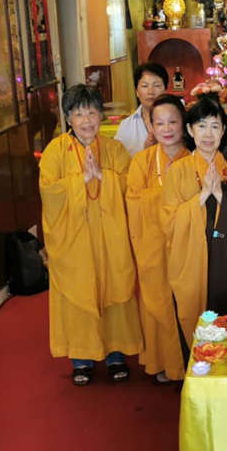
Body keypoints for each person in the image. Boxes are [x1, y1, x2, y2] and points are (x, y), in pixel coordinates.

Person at [39, 85, 141, 385]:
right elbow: (48, 190)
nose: (86, 121)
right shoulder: (55, 151)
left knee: (114, 288)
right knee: (78, 293)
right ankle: (81, 358)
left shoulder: (114, 149)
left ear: (100, 116)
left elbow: (129, 185)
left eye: (92, 113)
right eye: (79, 114)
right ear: (68, 118)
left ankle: (116, 354)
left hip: (110, 237)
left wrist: (103, 177)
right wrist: (80, 180)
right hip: (74, 238)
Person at [162, 96, 227, 340]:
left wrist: (220, 196)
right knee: (198, 328)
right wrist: (202, 196)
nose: (208, 134)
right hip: (193, 262)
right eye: (202, 126)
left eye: (215, 126)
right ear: (190, 130)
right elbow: (169, 222)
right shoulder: (177, 171)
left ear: (223, 131)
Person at [125, 95, 188, 383]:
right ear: (150, 126)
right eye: (159, 123)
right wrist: (167, 193)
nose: (167, 129)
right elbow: (134, 201)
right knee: (157, 302)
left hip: (185, 247)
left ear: (184, 124)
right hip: (153, 245)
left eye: (173, 121)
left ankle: (190, 360)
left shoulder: (194, 158)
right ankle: (163, 361)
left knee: (187, 302)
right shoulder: (142, 161)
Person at [115, 63, 168, 156]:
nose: (150, 92)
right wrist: (145, 153)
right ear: (137, 92)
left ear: (165, 90)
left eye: (156, 85)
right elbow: (119, 159)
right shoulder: (126, 126)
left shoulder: (178, 122)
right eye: (145, 86)